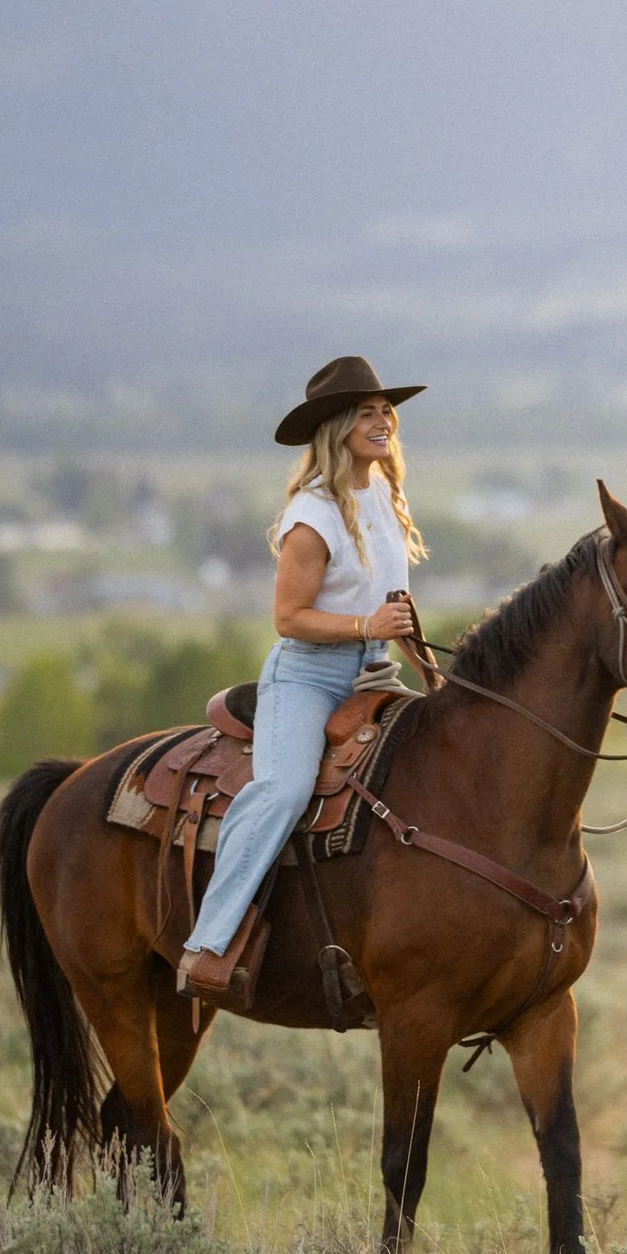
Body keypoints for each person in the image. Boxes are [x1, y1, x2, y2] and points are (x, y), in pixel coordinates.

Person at [177, 356, 430, 1001]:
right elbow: (289, 618)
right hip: (308, 678)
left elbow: (395, 608)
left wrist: (434, 678)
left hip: (378, 672)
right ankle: (209, 942)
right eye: (367, 412)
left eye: (386, 411)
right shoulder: (312, 515)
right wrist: (366, 625)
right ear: (339, 425)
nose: (383, 422)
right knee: (286, 789)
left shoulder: (384, 496)